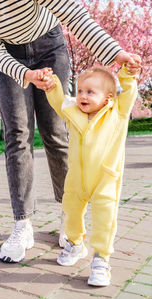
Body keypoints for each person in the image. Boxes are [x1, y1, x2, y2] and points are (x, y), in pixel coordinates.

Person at [0, 0, 141, 263]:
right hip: (7, 57)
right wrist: (26, 75)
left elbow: (73, 13)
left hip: (49, 45)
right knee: (17, 135)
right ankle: (22, 223)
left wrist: (114, 53)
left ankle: (69, 216)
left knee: (56, 132)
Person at [44, 63, 140, 286]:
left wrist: (127, 74)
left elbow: (128, 92)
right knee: (71, 212)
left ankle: (101, 260)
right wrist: (52, 85)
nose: (82, 96)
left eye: (89, 92)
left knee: (104, 219)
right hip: (76, 179)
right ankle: (76, 243)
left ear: (107, 98)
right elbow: (59, 102)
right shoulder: (73, 112)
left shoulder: (118, 113)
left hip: (105, 179)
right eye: (79, 91)